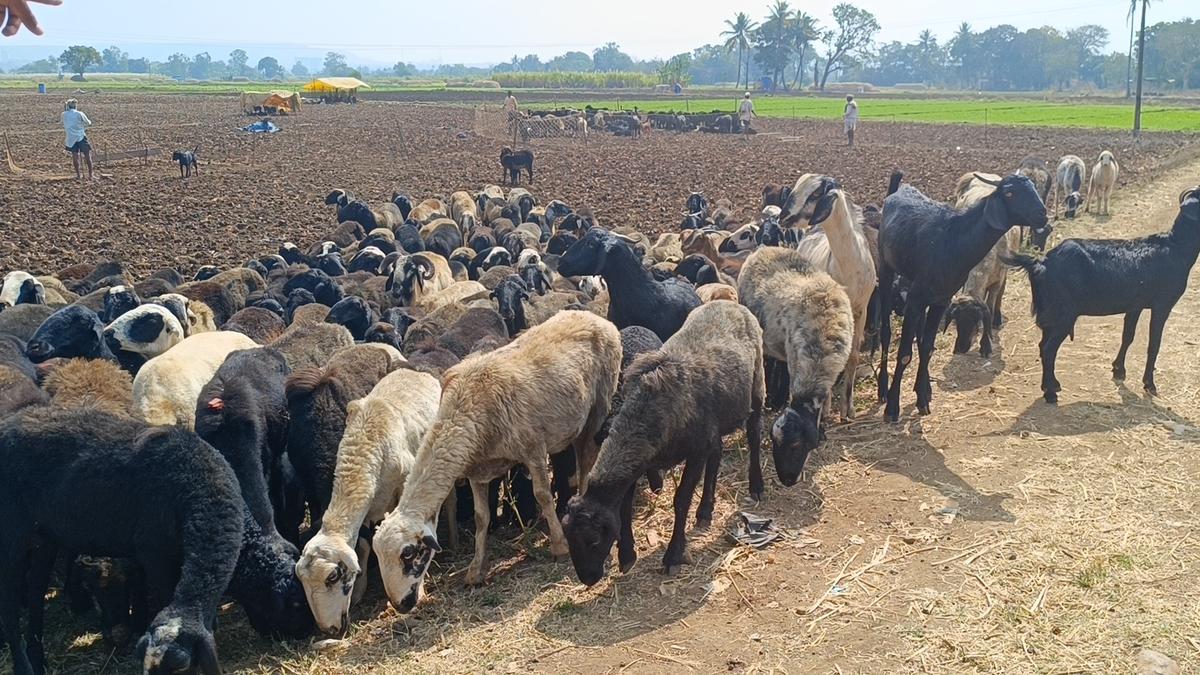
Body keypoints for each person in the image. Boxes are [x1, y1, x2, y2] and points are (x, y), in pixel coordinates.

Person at [61, 98, 94, 181]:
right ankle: (90, 174)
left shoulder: (64, 114)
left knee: (75, 156)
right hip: (80, 136)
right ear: (75, 106)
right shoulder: (79, 113)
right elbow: (88, 122)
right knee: (87, 155)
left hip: (70, 138)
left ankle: (78, 175)